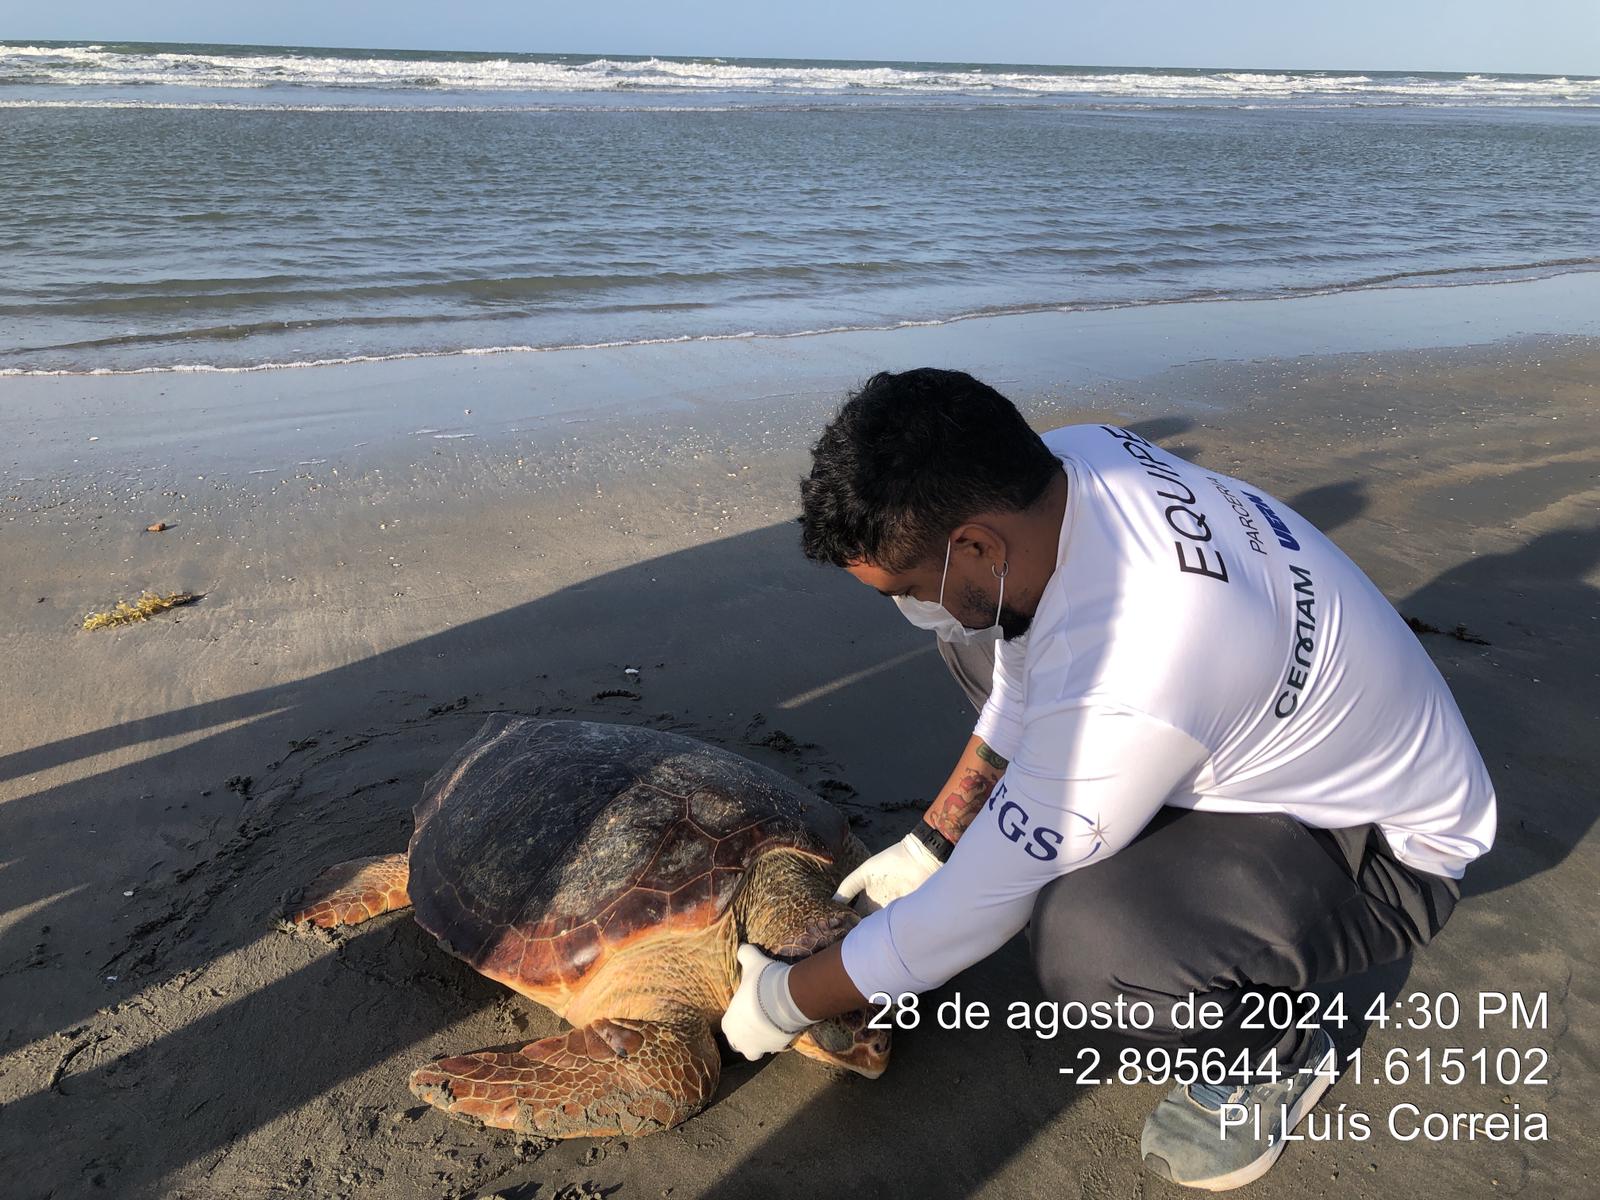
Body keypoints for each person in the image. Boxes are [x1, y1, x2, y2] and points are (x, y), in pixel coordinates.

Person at [721, 368, 1496, 1191]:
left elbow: (966, 918)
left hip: (1384, 847)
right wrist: (932, 840)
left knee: (1091, 942)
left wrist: (784, 999)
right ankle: (1106, 807)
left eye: (906, 588)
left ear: (975, 542)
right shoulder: (1071, 463)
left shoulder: (1137, 670)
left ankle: (1273, 1054)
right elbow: (1022, 670)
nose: (910, 607)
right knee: (979, 628)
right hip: (1263, 717)